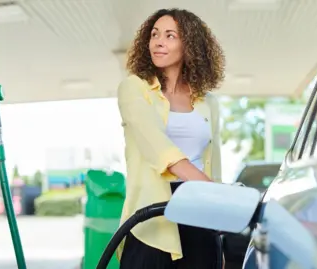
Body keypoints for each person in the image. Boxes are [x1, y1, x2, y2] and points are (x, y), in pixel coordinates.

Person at [116, 8, 225, 269]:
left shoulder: (208, 103)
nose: (158, 42)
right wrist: (217, 191)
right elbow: (155, 144)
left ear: (189, 45)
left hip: (199, 215)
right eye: (154, 34)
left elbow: (214, 162)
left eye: (169, 35)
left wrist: (218, 227)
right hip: (151, 221)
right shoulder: (135, 88)